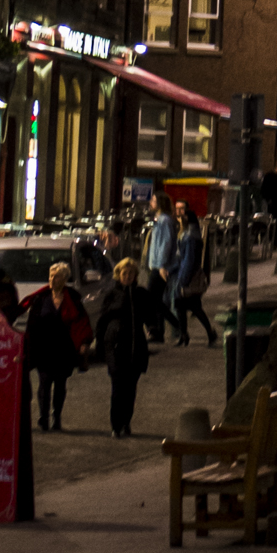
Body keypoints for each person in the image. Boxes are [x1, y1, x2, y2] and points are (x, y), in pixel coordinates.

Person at [21, 263, 91, 430]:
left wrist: (83, 343)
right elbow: (32, 324)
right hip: (44, 348)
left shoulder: (72, 299)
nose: (52, 279)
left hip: (64, 349)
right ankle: (43, 417)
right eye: (51, 276)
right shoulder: (41, 299)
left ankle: (56, 417)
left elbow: (82, 322)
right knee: (44, 384)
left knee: (60, 385)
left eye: (56, 276)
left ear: (65, 279)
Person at [92, 256, 152, 437]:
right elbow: (102, 321)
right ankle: (116, 425)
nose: (128, 276)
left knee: (130, 389)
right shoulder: (112, 294)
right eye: (124, 273)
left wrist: (153, 326)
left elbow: (151, 312)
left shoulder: (140, 293)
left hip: (135, 346)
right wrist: (99, 345)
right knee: (118, 387)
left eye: (131, 273)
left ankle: (126, 422)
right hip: (116, 346)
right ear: (118, 275)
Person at [168, 203, 213, 349]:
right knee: (184, 306)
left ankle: (202, 333)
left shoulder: (190, 237)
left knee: (192, 306)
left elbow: (188, 260)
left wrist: (183, 279)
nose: (179, 221)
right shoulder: (190, 235)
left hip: (187, 276)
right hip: (184, 274)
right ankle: (185, 335)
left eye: (181, 219)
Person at [142, 187, 179, 337]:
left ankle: (174, 326)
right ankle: (158, 331)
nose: (151, 203)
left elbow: (165, 244)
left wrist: (162, 265)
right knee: (156, 300)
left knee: (150, 300)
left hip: (159, 267)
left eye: (153, 200)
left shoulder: (165, 221)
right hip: (156, 265)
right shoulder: (160, 220)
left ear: (160, 203)